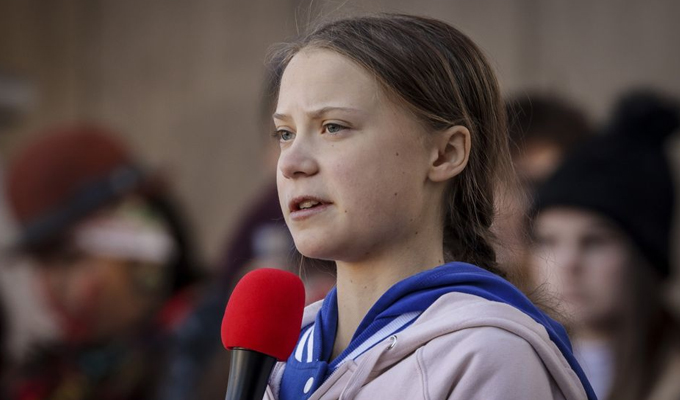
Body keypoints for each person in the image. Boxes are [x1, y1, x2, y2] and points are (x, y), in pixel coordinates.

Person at [261, 14, 595, 400]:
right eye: (285, 133)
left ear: (444, 154)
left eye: (333, 127)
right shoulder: (274, 355)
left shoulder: (487, 356)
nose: (291, 163)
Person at [3, 125, 202, 400]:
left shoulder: (220, 350)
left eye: (71, 258)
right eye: (43, 265)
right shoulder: (55, 381)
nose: (52, 288)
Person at [530, 91, 680, 400]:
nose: (568, 263)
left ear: (645, 257)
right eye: (548, 240)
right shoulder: (515, 362)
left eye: (594, 241)